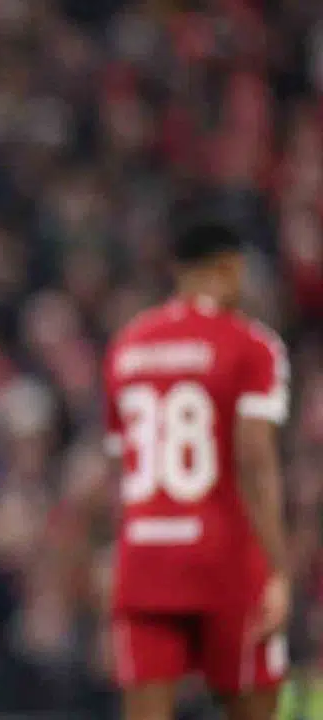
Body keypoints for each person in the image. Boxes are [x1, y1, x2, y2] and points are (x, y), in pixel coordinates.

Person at [102, 221, 291, 720]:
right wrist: (278, 567)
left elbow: (120, 470)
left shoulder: (128, 345)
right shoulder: (251, 345)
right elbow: (254, 460)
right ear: (231, 268)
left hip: (145, 558)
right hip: (223, 558)